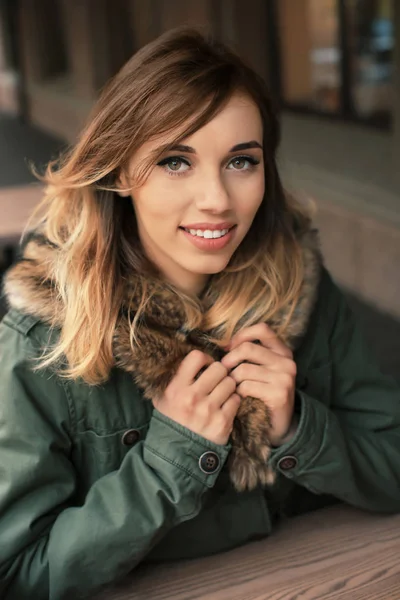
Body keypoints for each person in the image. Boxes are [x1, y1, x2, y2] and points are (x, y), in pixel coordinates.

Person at [0, 27, 399, 600]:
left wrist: (297, 428)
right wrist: (170, 460)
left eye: (241, 161)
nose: (216, 198)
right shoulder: (47, 338)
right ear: (118, 172)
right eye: (175, 162)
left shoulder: (301, 290)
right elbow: (17, 575)